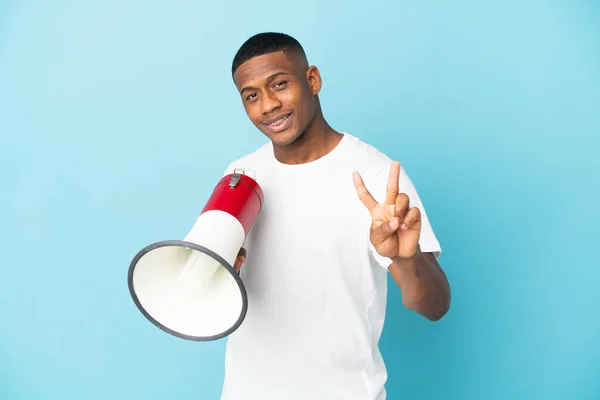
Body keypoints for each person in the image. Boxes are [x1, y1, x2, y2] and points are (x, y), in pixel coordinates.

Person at [220, 32, 451, 400]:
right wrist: (219, 277)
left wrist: (405, 260)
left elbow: (435, 306)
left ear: (312, 80)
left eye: (279, 84)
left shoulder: (375, 176)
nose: (267, 105)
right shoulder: (239, 176)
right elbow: (214, 298)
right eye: (251, 95)